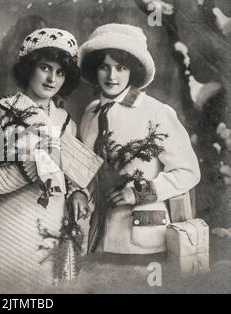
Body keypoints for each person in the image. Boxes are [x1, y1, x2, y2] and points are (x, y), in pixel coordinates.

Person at [77, 23, 201, 259]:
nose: (112, 76)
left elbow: (189, 171)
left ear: (132, 71)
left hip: (143, 240)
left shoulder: (156, 112)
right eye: (104, 67)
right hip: (97, 238)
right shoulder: (90, 113)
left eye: (120, 67)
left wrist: (138, 193)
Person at [0, 28, 82, 291]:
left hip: (54, 216)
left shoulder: (66, 121)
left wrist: (78, 191)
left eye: (60, 72)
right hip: (14, 217)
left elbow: (71, 172)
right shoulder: (2, 112)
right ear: (28, 69)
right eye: (45, 68)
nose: (52, 78)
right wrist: (30, 170)